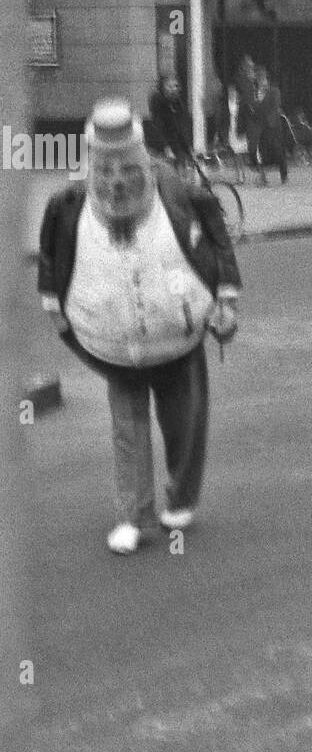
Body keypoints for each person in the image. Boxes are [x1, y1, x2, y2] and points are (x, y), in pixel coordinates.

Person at [37, 100, 241, 555]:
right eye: (105, 172)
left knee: (183, 422)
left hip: (178, 336)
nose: (117, 183)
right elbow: (52, 252)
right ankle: (134, 515)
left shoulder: (173, 187)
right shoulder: (69, 204)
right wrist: (53, 303)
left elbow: (215, 228)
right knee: (128, 429)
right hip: (116, 344)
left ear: (142, 161)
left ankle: (181, 495)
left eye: (128, 170)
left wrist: (225, 294)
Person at [249, 64, 288, 185]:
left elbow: (275, 108)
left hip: (273, 126)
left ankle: (284, 174)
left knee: (278, 151)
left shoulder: (274, 91)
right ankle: (263, 177)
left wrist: (267, 119)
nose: (259, 80)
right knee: (261, 151)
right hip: (261, 126)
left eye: (260, 77)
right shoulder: (256, 92)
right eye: (258, 78)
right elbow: (255, 108)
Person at [147, 75, 190, 163]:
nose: (174, 89)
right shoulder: (157, 101)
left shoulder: (178, 103)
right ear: (163, 88)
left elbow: (180, 127)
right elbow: (158, 126)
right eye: (169, 86)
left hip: (173, 140)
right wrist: (166, 148)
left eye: (176, 86)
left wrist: (187, 149)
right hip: (157, 141)